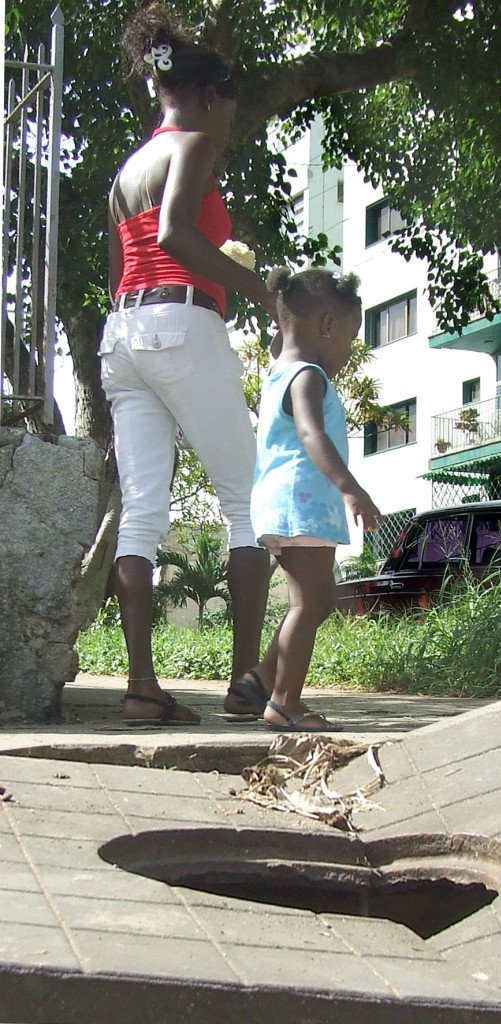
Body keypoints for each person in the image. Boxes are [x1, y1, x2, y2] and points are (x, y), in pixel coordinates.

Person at [101, 5, 275, 724]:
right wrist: (263, 293)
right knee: (249, 503)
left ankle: (141, 686)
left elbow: (118, 271)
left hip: (124, 333)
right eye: (228, 114)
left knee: (141, 515)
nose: (227, 129)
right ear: (207, 99)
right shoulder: (193, 144)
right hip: (182, 322)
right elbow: (175, 233)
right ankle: (244, 684)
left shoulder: (123, 172)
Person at [249, 267, 381, 732]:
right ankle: (284, 702)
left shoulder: (278, 368)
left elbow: (281, 338)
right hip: (299, 502)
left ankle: (264, 682)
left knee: (319, 600)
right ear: (327, 325)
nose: (347, 351)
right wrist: (352, 488)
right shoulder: (308, 376)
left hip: (289, 503)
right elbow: (310, 432)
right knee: (306, 605)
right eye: (349, 338)